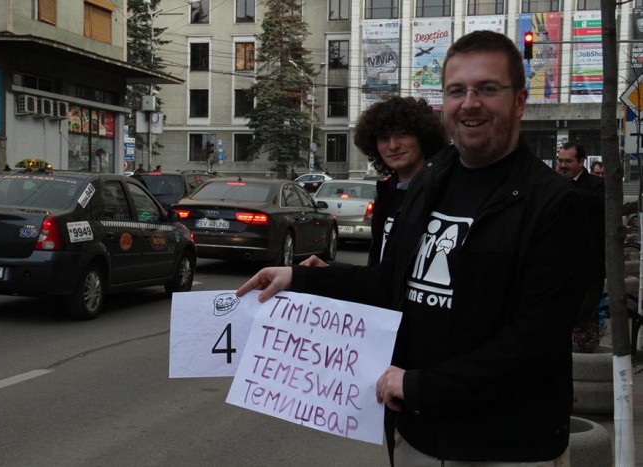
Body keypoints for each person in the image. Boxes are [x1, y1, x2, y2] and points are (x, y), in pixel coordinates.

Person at [237, 30, 590, 465]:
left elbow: (532, 342)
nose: (470, 102)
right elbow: (390, 283)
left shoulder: (555, 204)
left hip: (507, 445)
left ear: (518, 101)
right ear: (444, 103)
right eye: (457, 90)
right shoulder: (431, 182)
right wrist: (300, 277)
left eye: (488, 89)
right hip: (419, 436)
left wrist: (421, 386)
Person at [302, 96, 447, 267]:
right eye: (384, 138)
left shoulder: (445, 191)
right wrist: (323, 271)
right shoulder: (387, 195)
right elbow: (380, 277)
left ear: (423, 137)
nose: (393, 145)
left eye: (402, 134)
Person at [557, 142, 605, 352]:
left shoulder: (595, 185)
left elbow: (597, 206)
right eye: (560, 161)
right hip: (558, 263)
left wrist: (565, 187)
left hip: (588, 264)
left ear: (581, 162)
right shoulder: (553, 183)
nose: (563, 165)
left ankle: (585, 350)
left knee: (584, 313)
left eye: (568, 161)